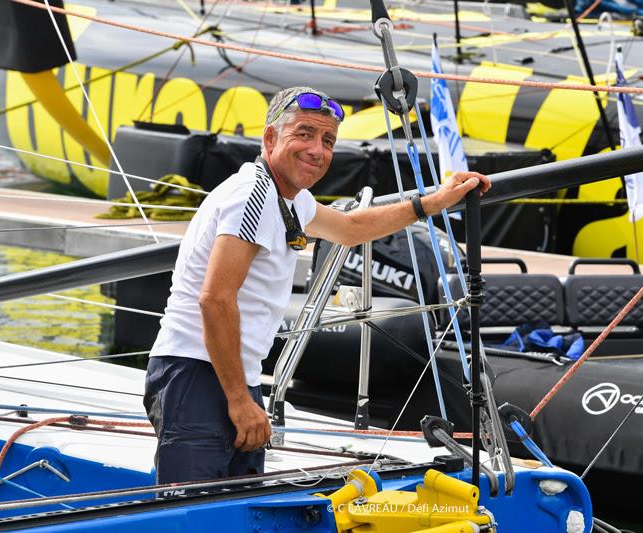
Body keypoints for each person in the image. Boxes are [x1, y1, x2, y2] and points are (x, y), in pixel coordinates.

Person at [143, 86, 491, 484]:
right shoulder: (252, 197)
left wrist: (433, 202)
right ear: (270, 138)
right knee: (193, 516)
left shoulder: (290, 199)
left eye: (327, 140)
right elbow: (215, 300)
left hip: (232, 376)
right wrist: (239, 400)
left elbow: (349, 228)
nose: (317, 150)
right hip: (199, 373)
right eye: (304, 133)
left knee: (236, 512)